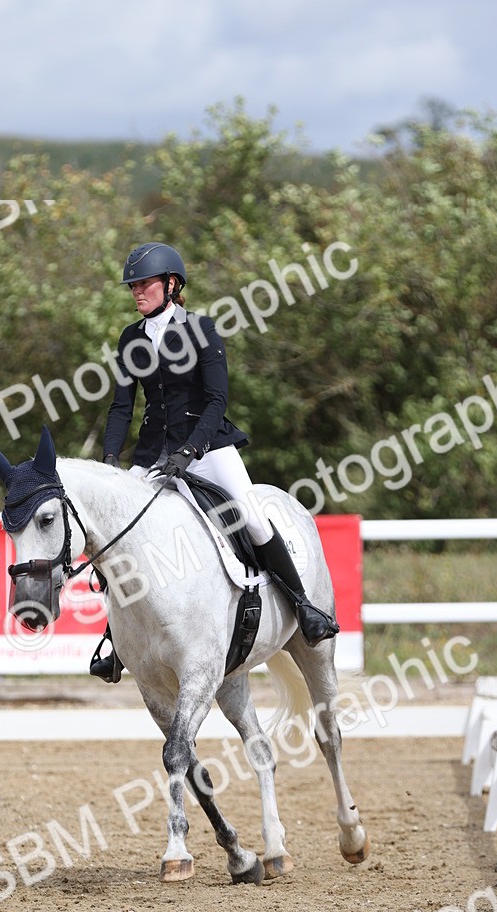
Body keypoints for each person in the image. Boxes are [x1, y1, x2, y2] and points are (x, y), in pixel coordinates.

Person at [90, 241, 338, 683]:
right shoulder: (131, 338)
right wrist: (111, 460)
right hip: (153, 454)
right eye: (133, 286)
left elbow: (217, 400)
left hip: (207, 448)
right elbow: (121, 407)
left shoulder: (201, 329)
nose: (136, 291)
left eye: (144, 284)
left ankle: (304, 607)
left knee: (253, 517)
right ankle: (116, 638)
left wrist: (190, 451)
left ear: (171, 284)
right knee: (114, 531)